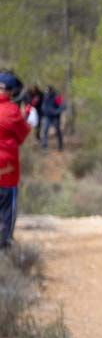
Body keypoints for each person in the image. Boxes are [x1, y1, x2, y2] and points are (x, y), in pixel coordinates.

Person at [0, 73, 32, 249]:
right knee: (6, 212)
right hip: (6, 170)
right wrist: (26, 114)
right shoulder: (11, 111)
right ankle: (4, 249)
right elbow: (22, 135)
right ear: (11, 92)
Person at [39, 86, 64, 151]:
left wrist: (56, 112)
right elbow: (43, 105)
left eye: (48, 91)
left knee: (57, 131)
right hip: (47, 117)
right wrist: (43, 110)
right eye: (46, 91)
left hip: (55, 117)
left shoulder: (57, 97)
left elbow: (62, 106)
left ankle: (60, 146)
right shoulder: (45, 96)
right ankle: (44, 146)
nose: (46, 92)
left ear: (51, 90)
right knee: (45, 130)